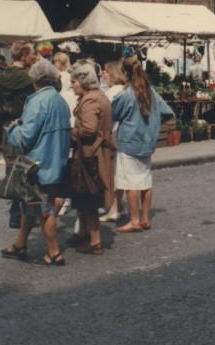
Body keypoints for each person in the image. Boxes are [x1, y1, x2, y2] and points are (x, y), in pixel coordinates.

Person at [0, 60, 72, 266]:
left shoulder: (38, 102)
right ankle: (20, 244)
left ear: (35, 81)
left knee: (44, 209)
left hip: (39, 164)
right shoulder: (59, 100)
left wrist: (12, 128)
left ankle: (54, 252)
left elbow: (25, 137)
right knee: (30, 205)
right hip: (55, 160)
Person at [111, 57, 174, 233]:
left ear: (124, 73)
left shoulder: (125, 94)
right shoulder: (151, 92)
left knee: (131, 183)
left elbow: (112, 113)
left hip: (129, 141)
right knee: (145, 180)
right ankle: (145, 218)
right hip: (147, 142)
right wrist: (153, 124)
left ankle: (134, 220)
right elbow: (168, 112)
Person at [67, 61, 114, 255]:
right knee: (85, 196)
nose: (72, 85)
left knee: (89, 197)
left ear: (83, 82)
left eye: (74, 82)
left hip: (90, 155)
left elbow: (88, 129)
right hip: (94, 153)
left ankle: (95, 242)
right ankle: (84, 234)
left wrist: (71, 132)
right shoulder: (97, 96)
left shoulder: (90, 100)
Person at [0, 43, 36, 229]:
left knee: (11, 167)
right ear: (25, 55)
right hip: (23, 125)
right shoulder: (29, 78)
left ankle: (14, 214)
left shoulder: (2, 76)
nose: (34, 57)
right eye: (32, 54)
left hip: (6, 126)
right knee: (26, 168)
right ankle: (24, 214)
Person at [101, 60, 127, 221]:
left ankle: (114, 208)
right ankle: (117, 206)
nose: (103, 74)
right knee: (118, 173)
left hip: (112, 135)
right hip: (119, 135)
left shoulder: (113, 92)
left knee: (114, 174)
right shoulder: (122, 90)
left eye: (105, 71)